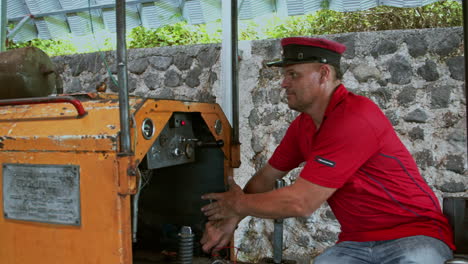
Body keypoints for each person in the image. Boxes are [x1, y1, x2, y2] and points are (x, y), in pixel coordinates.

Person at [200, 37, 455, 263]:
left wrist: (239, 205)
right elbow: (266, 179)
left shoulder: (355, 117)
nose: (283, 84)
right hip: (356, 242)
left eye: (293, 75)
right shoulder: (304, 125)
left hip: (414, 234)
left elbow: (302, 202)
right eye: (284, 75)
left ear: (323, 74)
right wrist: (234, 216)